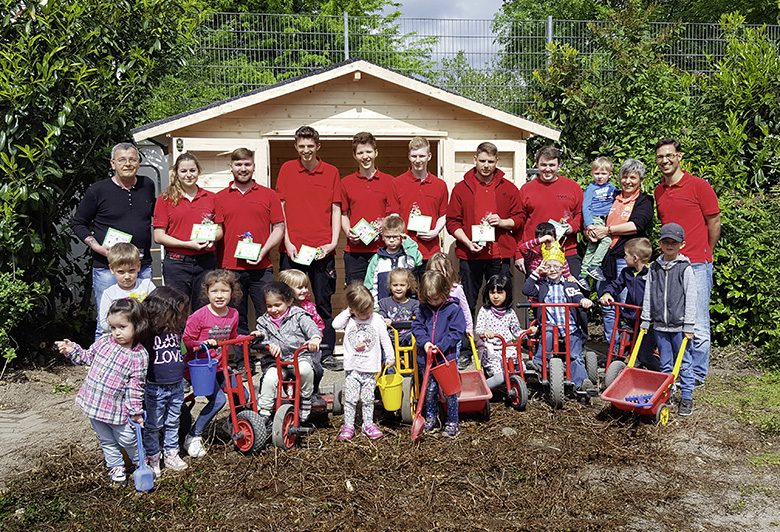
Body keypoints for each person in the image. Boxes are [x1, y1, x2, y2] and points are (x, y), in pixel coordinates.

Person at [55, 298, 149, 484]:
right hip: (93, 403)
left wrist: (136, 412)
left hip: (115, 410)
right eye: (113, 327)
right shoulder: (105, 342)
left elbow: (136, 387)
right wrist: (71, 349)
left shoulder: (139, 355)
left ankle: (142, 464)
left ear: (138, 325)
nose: (117, 332)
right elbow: (87, 357)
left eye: (122, 327)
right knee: (106, 440)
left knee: (128, 439)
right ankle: (116, 467)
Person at [72, 142, 155, 340]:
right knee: (108, 322)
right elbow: (78, 223)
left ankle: (139, 364)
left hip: (142, 266)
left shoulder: (147, 185)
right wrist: (97, 247)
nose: (127, 164)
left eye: (132, 159)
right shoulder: (98, 190)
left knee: (143, 319)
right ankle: (102, 366)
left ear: (139, 162)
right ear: (112, 164)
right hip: (108, 268)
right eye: (122, 160)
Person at [654, 138, 720, 387]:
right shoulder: (659, 190)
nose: (665, 161)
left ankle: (698, 376)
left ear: (679, 156)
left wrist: (706, 252)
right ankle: (679, 370)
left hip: (696, 263)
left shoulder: (699, 186)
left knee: (698, 322)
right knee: (672, 319)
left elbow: (714, 221)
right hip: (671, 265)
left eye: (669, 155)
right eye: (660, 157)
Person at [276, 126, 341, 369]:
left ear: (318, 146)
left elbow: (336, 208)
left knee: (323, 302)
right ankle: (288, 352)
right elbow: (281, 207)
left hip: (322, 250)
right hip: (293, 250)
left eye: (310, 146)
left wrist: (333, 241)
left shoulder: (331, 172)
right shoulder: (287, 170)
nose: (306, 151)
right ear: (296, 146)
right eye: (301, 146)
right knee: (288, 300)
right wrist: (287, 241)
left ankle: (325, 353)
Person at [214, 147, 285, 335]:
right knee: (236, 317)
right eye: (238, 164)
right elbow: (216, 230)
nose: (243, 168)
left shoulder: (269, 195)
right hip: (230, 268)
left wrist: (264, 250)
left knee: (269, 314)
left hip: (262, 267)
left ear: (254, 167)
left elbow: (279, 228)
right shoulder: (219, 198)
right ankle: (239, 360)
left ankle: (271, 358)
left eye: (247, 164)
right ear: (231, 167)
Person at [445, 141, 521, 310]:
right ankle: (467, 335)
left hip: (499, 254)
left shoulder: (508, 188)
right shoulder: (461, 188)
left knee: (500, 301)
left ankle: (500, 336)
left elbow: (520, 218)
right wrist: (467, 242)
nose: (486, 166)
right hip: (470, 254)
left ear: (497, 161)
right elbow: (452, 221)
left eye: (490, 162)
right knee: (467, 302)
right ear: (475, 160)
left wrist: (502, 222)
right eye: (482, 161)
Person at [589, 159, 655, 343]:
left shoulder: (645, 200)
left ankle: (632, 348)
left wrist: (608, 230)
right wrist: (590, 230)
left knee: (628, 306)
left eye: (633, 177)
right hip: (604, 257)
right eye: (624, 176)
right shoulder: (611, 195)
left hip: (626, 259)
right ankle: (613, 348)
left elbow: (638, 224)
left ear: (640, 179)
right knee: (607, 305)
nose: (628, 181)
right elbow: (593, 212)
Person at [182, 269, 241, 458]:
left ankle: (236, 425)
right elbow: (187, 340)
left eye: (224, 291)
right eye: (215, 291)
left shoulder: (233, 314)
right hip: (200, 367)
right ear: (207, 292)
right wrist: (202, 344)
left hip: (220, 365)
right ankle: (193, 435)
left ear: (232, 292)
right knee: (219, 400)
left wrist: (250, 336)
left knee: (242, 394)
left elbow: (233, 337)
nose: (219, 295)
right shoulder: (199, 316)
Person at [640, 223, 697, 416]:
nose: (670, 245)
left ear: (682, 244)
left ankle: (687, 397)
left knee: (685, 363)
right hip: (660, 326)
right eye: (666, 241)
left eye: (674, 242)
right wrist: (646, 318)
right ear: (660, 243)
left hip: (680, 326)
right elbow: (648, 293)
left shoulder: (684, 268)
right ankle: (667, 394)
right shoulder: (654, 268)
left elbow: (691, 297)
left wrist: (689, 324)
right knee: (665, 363)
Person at [522, 245, 595, 392]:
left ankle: (582, 383)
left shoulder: (569, 285)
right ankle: (539, 363)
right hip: (550, 326)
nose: (553, 269)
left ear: (563, 268)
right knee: (547, 335)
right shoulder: (541, 286)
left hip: (570, 327)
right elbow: (526, 290)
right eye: (548, 266)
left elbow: (577, 295)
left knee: (574, 356)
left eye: (556, 266)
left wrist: (583, 301)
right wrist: (536, 272)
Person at [153, 152, 221, 309]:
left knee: (204, 309)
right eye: (183, 171)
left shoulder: (211, 198)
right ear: (176, 173)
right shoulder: (165, 199)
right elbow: (159, 236)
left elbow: (219, 230)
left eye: (192, 170)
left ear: (199, 171)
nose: (188, 175)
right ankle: (177, 335)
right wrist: (188, 244)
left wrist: (212, 238)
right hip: (177, 263)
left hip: (206, 261)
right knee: (177, 308)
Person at [332, 283, 395, 441]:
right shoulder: (349, 319)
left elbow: (385, 340)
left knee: (368, 399)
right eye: (362, 312)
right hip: (352, 368)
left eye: (368, 310)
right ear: (352, 309)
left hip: (370, 368)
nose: (366, 315)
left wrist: (390, 356)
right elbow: (335, 325)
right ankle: (348, 425)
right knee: (351, 399)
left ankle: (368, 424)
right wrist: (348, 312)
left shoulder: (376, 320)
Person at [254, 282, 322, 424]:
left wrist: (314, 339)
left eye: (277, 305)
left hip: (299, 357)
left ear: (289, 301)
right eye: (269, 306)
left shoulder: (299, 316)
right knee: (270, 378)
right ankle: (264, 411)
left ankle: (305, 398)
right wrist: (264, 342)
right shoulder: (264, 321)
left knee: (305, 370)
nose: (273, 309)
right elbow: (261, 339)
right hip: (277, 361)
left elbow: (313, 330)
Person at [411, 270, 467, 437]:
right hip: (426, 358)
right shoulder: (423, 308)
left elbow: (457, 331)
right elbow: (417, 327)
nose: (432, 302)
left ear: (444, 292)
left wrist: (440, 346)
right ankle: (431, 418)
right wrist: (425, 343)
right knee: (429, 390)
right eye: (429, 298)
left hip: (446, 358)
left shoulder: (453, 309)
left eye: (436, 298)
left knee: (450, 391)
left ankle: (452, 421)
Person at [141, 286, 190, 475]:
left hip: (176, 384)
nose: (179, 316)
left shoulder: (177, 329)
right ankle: (153, 456)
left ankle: (171, 453)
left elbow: (181, 351)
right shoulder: (148, 332)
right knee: (153, 424)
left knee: (173, 422)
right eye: (176, 311)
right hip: (155, 386)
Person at [340, 131, 399, 284]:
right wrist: (348, 231)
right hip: (354, 252)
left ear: (376, 152)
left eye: (368, 151)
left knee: (384, 294)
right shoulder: (346, 182)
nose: (365, 156)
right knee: (357, 296)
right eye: (360, 152)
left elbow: (393, 214)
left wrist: (383, 225)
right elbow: (343, 214)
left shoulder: (389, 181)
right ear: (354, 155)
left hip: (383, 249)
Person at [516, 146, 583, 278]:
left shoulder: (573, 187)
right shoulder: (526, 189)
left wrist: (572, 227)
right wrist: (518, 254)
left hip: (566, 251)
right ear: (537, 164)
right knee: (537, 297)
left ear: (558, 165)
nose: (547, 169)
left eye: (552, 165)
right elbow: (519, 224)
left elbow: (581, 215)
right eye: (543, 165)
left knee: (572, 294)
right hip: (536, 255)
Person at [597, 238, 659, 371]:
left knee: (644, 354)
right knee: (621, 345)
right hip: (629, 317)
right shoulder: (626, 272)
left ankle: (662, 374)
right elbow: (616, 285)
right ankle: (617, 367)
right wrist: (608, 293)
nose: (624, 258)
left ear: (635, 258)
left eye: (626, 255)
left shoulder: (651, 274)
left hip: (646, 321)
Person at [393, 137, 449, 268]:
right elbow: (393, 215)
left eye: (422, 156)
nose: (418, 160)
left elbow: (444, 214)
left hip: (431, 252)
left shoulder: (440, 185)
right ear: (409, 156)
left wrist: (435, 231)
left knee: (430, 289)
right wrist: (401, 237)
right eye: (414, 156)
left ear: (429, 156)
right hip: (404, 251)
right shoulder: (397, 183)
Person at [278, 269, 326, 397]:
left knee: (317, 370)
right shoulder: (280, 309)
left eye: (305, 286)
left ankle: (313, 391)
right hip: (287, 351)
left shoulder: (309, 307)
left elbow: (318, 324)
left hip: (307, 349)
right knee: (278, 372)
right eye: (300, 287)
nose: (304, 290)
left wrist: (315, 338)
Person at [474, 274, 524, 392]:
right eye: (492, 293)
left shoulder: (510, 312)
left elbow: (516, 330)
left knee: (520, 369)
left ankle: (515, 387)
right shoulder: (485, 311)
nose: (496, 296)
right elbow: (479, 329)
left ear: (507, 294)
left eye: (500, 293)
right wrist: (485, 332)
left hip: (508, 348)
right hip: (492, 350)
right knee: (500, 377)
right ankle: (481, 388)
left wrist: (527, 332)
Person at [427, 252, 474, 369]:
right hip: (436, 332)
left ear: (447, 272)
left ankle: (452, 378)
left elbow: (465, 309)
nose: (436, 275)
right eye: (433, 272)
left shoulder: (456, 289)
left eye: (439, 271)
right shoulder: (428, 289)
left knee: (452, 360)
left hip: (452, 333)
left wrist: (469, 328)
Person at [97, 243, 156, 336]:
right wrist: (124, 327)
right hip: (120, 340)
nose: (127, 276)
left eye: (131, 270)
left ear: (138, 266)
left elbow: (157, 312)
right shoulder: (109, 293)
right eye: (121, 272)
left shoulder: (147, 285)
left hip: (146, 335)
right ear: (112, 269)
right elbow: (104, 323)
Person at [364, 214, 422, 303]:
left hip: (406, 306)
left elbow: (415, 262)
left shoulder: (407, 256)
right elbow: (370, 284)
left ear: (402, 236)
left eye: (395, 237)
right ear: (382, 236)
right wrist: (374, 306)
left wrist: (409, 243)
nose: (391, 240)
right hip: (382, 307)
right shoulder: (377, 258)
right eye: (388, 237)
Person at [579, 157, 617, 288]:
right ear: (592, 173)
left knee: (592, 247)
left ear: (610, 174)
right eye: (597, 173)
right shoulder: (591, 188)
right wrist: (589, 224)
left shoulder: (612, 188)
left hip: (605, 219)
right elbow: (586, 207)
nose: (600, 176)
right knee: (606, 240)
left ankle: (583, 275)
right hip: (595, 218)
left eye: (603, 173)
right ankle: (594, 266)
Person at [378, 268, 420, 345]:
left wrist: (416, 317)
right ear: (390, 285)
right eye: (395, 285)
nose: (398, 288)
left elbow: (418, 315)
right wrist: (384, 319)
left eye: (402, 285)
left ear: (408, 286)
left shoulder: (414, 304)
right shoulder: (384, 303)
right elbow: (381, 315)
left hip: (407, 338)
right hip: (390, 338)